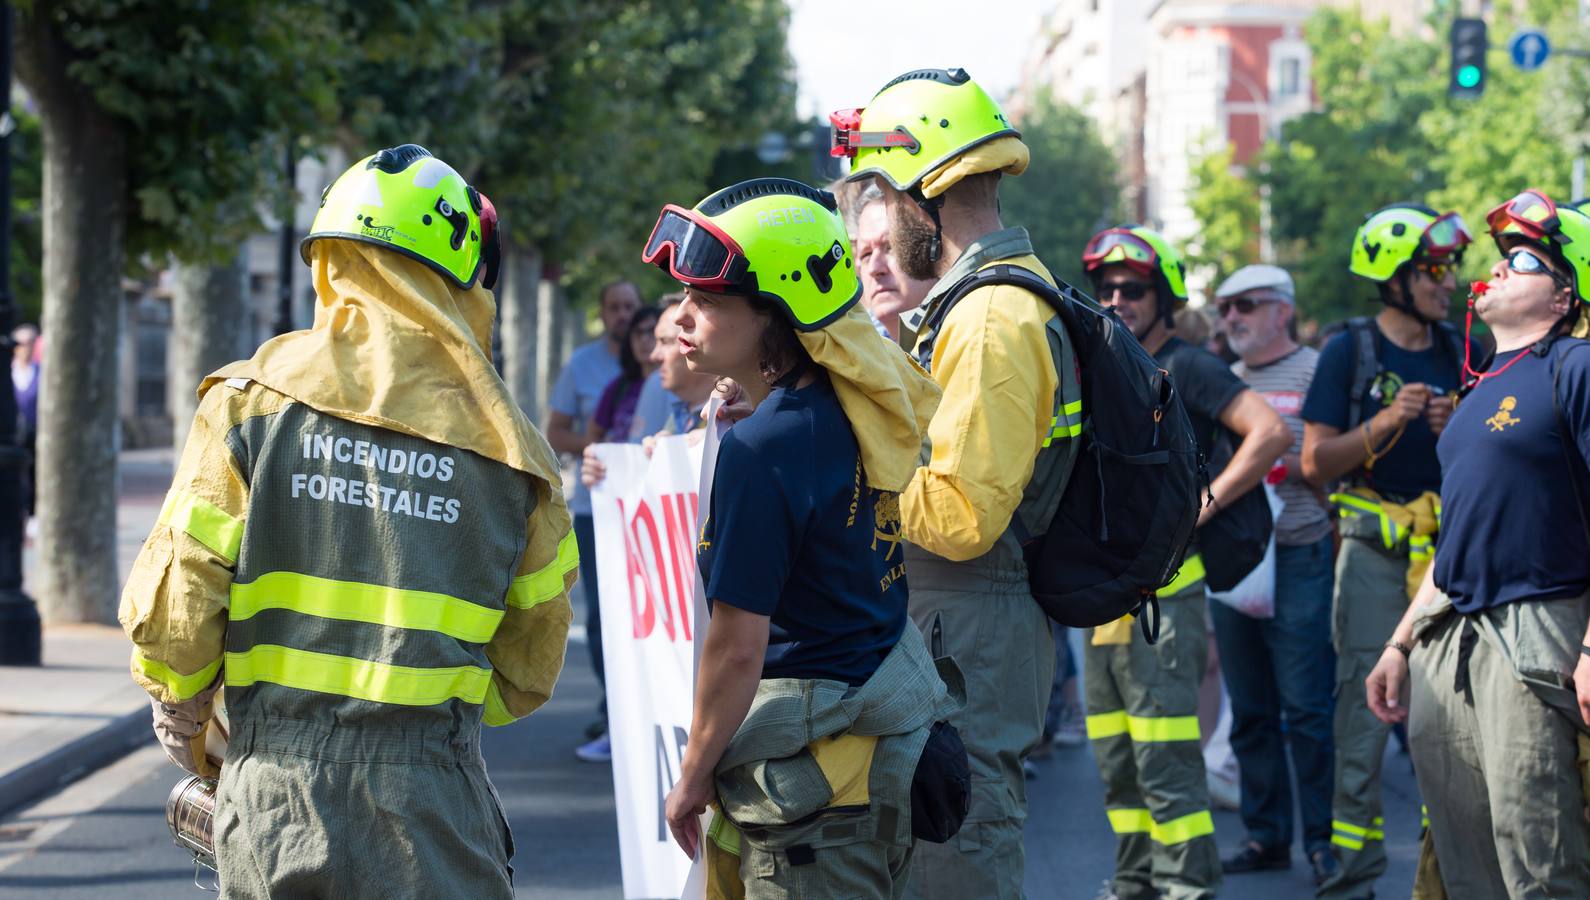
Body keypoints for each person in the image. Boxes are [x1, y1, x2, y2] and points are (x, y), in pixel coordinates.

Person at [117, 144, 576, 897]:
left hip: (276, 801)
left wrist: (182, 701)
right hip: (435, 802)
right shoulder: (514, 453)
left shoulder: (249, 403)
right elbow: (527, 669)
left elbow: (181, 607)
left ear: (330, 259)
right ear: (459, 276)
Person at [646, 177, 947, 897]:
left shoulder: (764, 448)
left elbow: (738, 643)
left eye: (708, 300)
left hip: (813, 805)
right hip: (874, 766)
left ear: (777, 312)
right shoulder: (843, 403)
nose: (683, 319)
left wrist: (690, 781)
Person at [832, 67, 1080, 897]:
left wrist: (844, 457)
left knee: (954, 853)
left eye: (881, 192)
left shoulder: (990, 319)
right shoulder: (970, 306)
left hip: (969, 623)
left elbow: (962, 515)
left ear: (919, 193)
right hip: (952, 622)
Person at [1366, 189, 1590, 897]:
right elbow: (1460, 535)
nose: (1495, 269)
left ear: (1563, 297)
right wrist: (1401, 643)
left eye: (1521, 259)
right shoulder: (1476, 387)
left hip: (1533, 631)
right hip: (1447, 639)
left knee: (1538, 855)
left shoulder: (1576, 369)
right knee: (1464, 860)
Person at [1082, 224, 1290, 900]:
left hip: (1166, 595)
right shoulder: (1097, 363)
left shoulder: (1189, 364)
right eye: (1107, 288)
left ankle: (1186, 888)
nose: (1118, 299)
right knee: (1117, 762)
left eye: (1133, 289)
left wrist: (1206, 502)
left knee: (1166, 759)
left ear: (1163, 296)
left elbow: (1271, 431)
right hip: (1102, 595)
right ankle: (1136, 881)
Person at [1300, 202, 1473, 900]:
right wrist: (1386, 422)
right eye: (1435, 269)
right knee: (1362, 719)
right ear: (1393, 277)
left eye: (1450, 267)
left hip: (1448, 560)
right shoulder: (1351, 350)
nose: (1449, 281)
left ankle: (1445, 877)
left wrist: (1458, 420)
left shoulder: (1466, 348)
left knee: (1450, 726)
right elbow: (1315, 463)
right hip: (1372, 556)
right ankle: (1354, 879)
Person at [1213, 264, 1339, 883]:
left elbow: (1333, 461)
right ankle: (1266, 837)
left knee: (1307, 709)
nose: (1230, 317)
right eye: (1224, 308)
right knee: (1251, 708)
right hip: (1236, 564)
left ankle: (1323, 840)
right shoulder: (1227, 380)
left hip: (1298, 555)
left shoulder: (1317, 372)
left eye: (1245, 305)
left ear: (1281, 311)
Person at [547, 279, 641, 759]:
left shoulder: (657, 363)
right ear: (603, 313)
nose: (622, 315)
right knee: (605, 617)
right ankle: (612, 712)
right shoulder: (583, 366)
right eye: (614, 307)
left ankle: (643, 713)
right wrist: (603, 452)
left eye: (630, 307)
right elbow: (556, 431)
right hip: (596, 508)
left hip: (649, 509)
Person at [852, 183, 934, 342]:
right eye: (866, 254)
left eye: (891, 246)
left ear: (934, 247)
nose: (874, 269)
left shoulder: (966, 331)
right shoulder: (852, 355)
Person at [587, 305, 660, 446]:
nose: (644, 339)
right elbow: (593, 435)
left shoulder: (678, 387)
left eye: (651, 331)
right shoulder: (619, 387)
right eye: (638, 332)